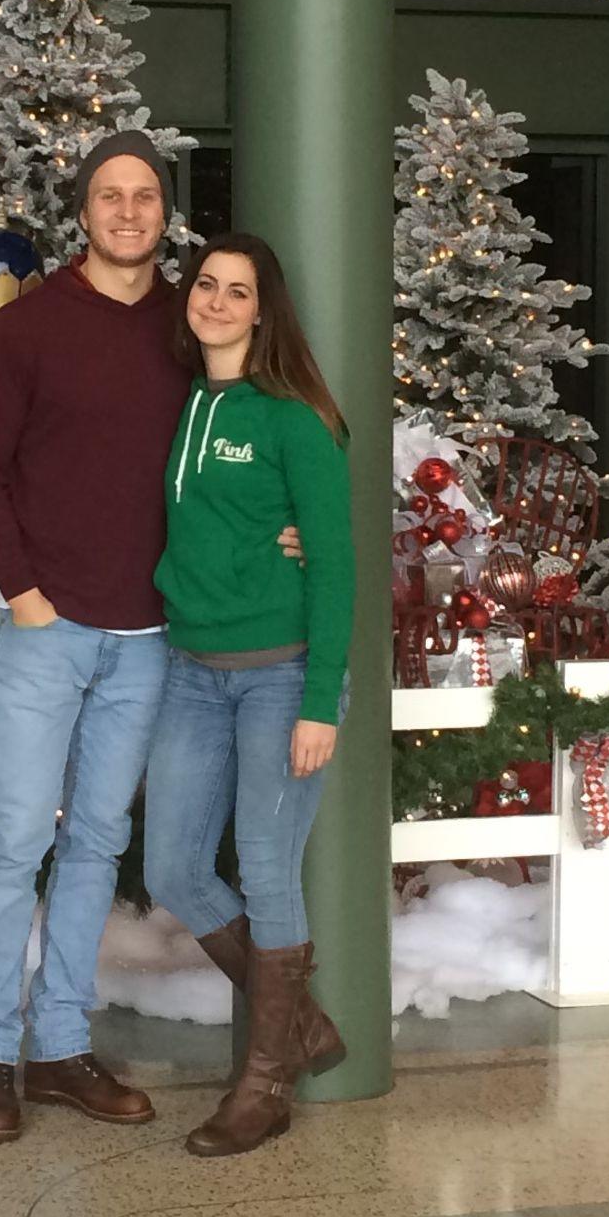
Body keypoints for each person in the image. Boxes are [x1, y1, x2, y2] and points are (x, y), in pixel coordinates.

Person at [0, 132, 302, 1144]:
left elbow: (262, 426)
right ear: (84, 210)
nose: (129, 212)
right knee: (17, 839)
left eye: (146, 196)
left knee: (100, 842)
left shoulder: (188, 332)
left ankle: (60, 1047)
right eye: (111, 195)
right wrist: (21, 592)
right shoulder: (29, 330)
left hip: (150, 638)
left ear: (164, 213)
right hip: (46, 629)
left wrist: (285, 522)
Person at [143, 232, 355, 1158]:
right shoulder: (186, 402)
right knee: (174, 870)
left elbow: (336, 563)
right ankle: (300, 1024)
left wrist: (318, 700)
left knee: (268, 870)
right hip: (192, 672)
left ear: (263, 310)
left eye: (239, 291)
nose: (218, 301)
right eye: (206, 286)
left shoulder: (292, 418)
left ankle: (265, 1083)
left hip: (280, 674)